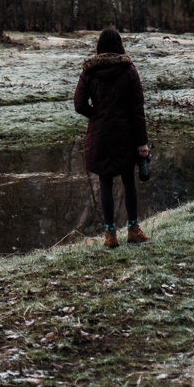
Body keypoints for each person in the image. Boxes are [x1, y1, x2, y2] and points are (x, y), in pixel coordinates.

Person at [71, 28, 150, 249]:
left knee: (105, 181)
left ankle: (110, 234)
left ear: (99, 46)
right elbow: (137, 109)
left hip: (100, 134)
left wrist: (96, 115)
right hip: (126, 133)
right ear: (119, 45)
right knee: (128, 180)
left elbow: (79, 104)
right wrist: (142, 142)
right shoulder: (129, 69)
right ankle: (133, 229)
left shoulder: (89, 71)